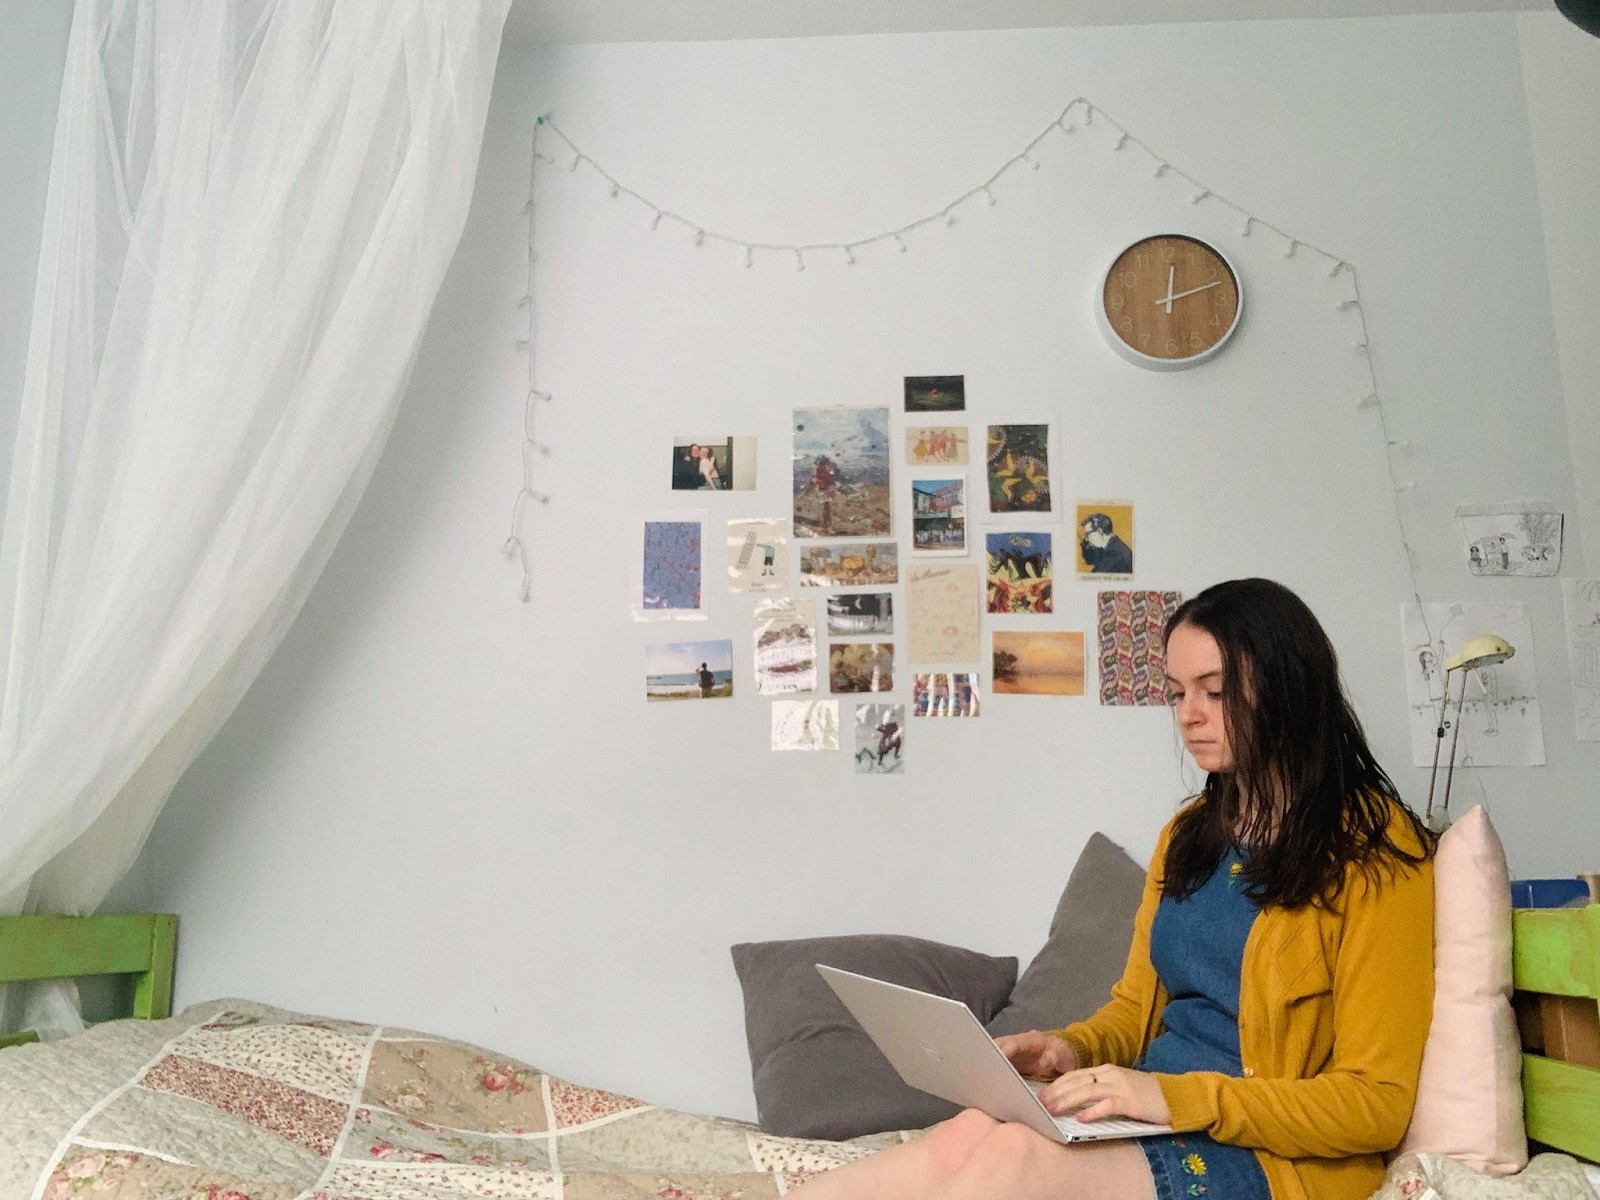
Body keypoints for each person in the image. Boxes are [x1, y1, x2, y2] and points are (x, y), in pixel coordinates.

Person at [792, 578, 1436, 1200]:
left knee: (1013, 1164)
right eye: (1177, 692)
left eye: (1214, 691)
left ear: (1289, 690)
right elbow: (1136, 1012)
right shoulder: (1188, 834)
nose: (1189, 714)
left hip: (1276, 1157)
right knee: (967, 1136)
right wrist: (1068, 1050)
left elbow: (1375, 1103)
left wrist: (1174, 1099)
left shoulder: (1378, 853)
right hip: (1153, 1114)